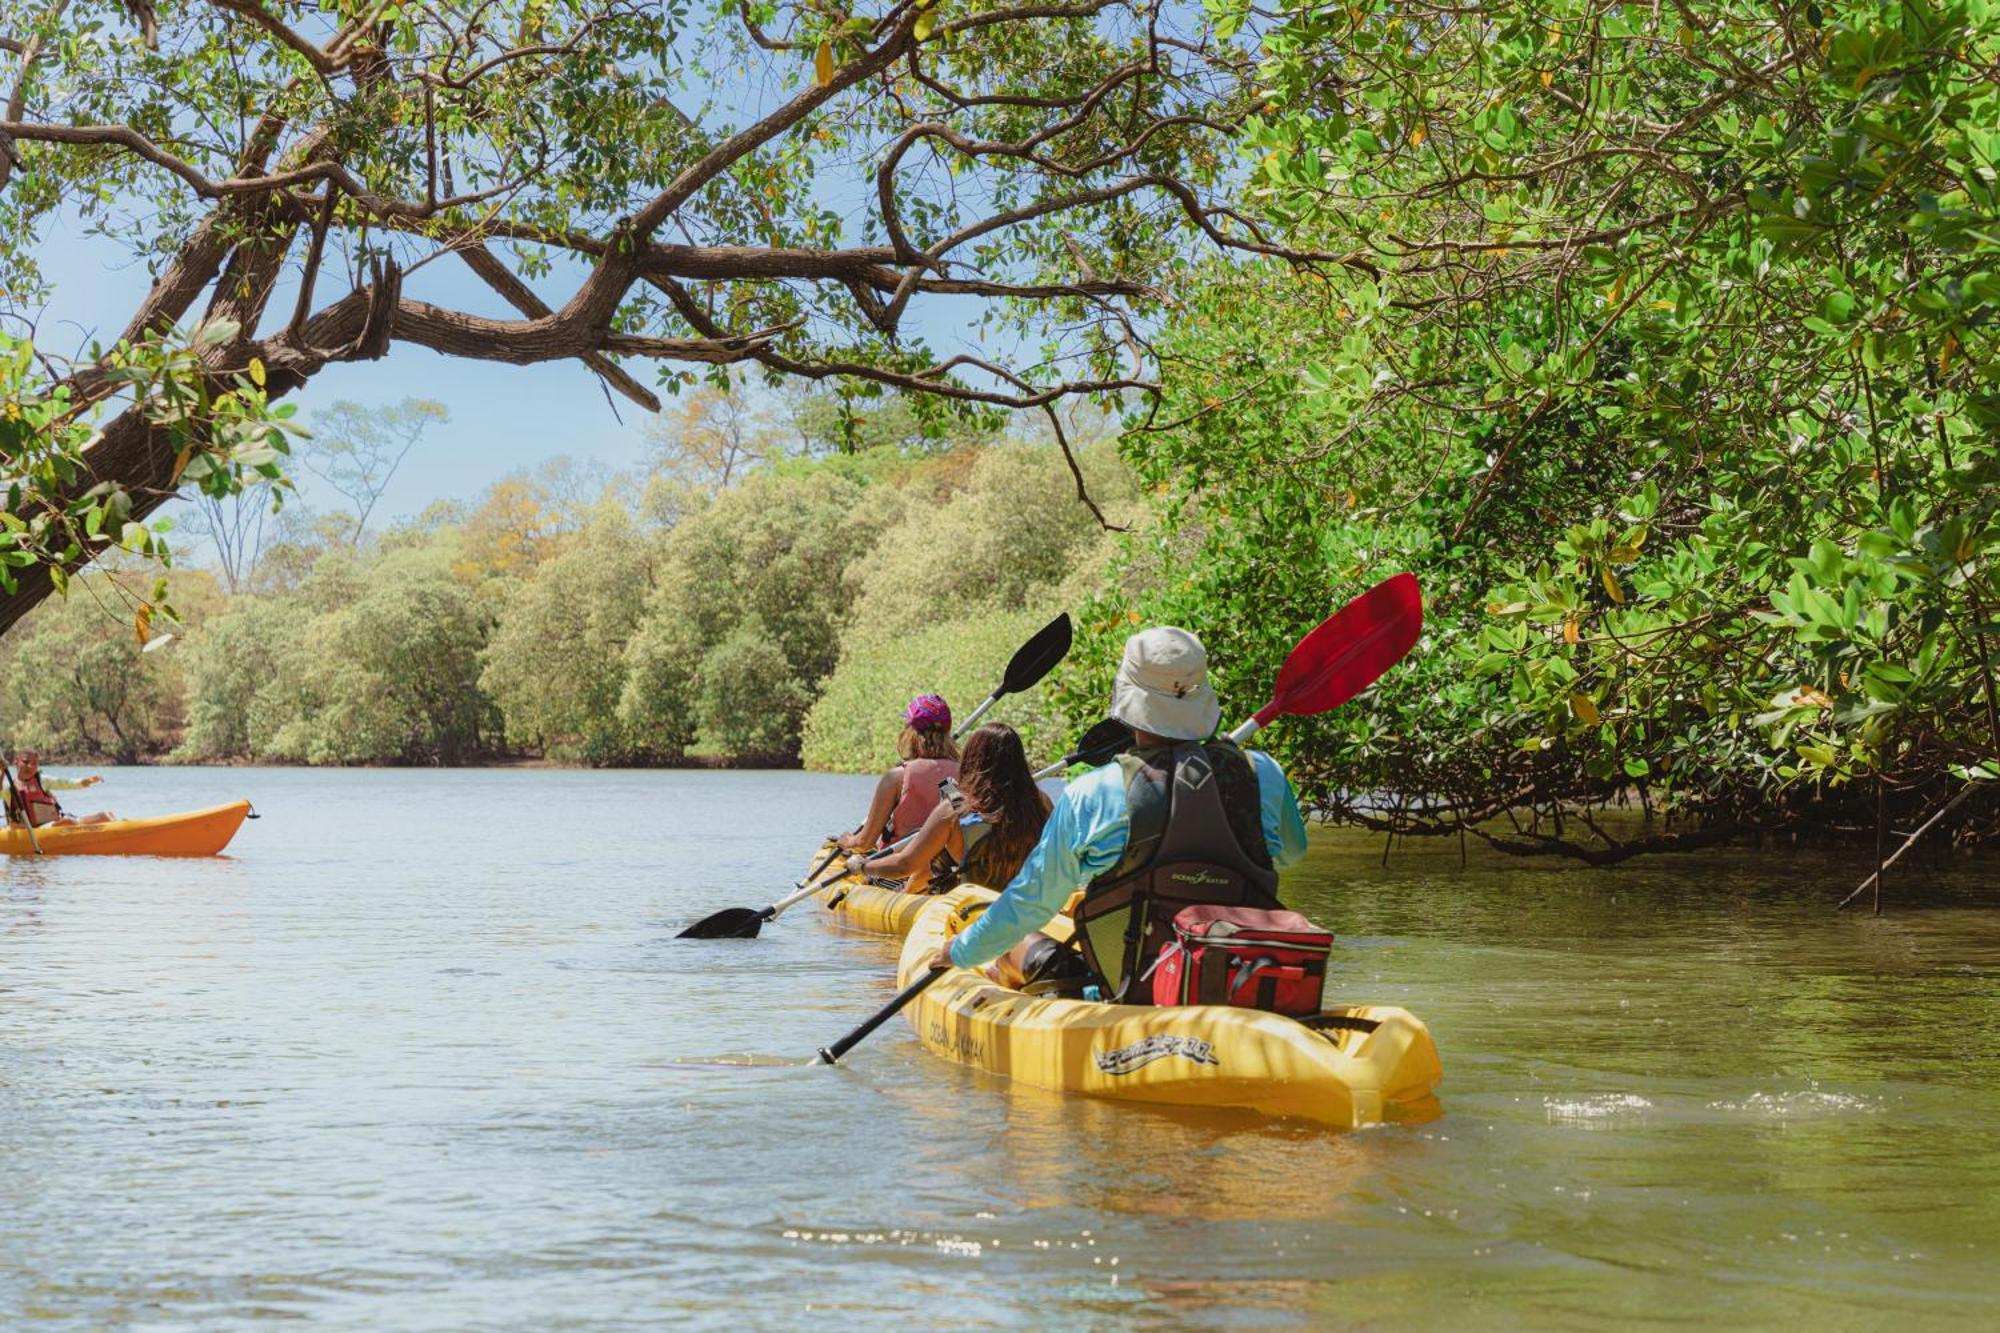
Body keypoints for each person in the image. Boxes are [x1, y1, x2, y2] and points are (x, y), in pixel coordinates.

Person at [928, 627, 1309, 999]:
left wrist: (958, 951)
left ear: (1125, 700)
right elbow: (1292, 853)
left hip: (1129, 989)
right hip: (1240, 978)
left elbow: (1031, 904)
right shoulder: (1264, 774)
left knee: (1019, 942)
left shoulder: (1090, 793)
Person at [846, 722, 1053, 896]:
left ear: (973, 760)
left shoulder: (952, 811)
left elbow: (905, 865)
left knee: (936, 863)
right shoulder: (1042, 803)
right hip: (1026, 898)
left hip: (971, 902)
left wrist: (862, 866)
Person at [837, 695, 960, 851]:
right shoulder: (962, 773)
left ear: (910, 732)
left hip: (898, 868)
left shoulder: (896, 778)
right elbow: (960, 819)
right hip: (944, 868)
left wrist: (847, 840)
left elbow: (865, 843)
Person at [5, 751, 114, 827]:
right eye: (25, 762)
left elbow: (65, 783)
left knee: (106, 815)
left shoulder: (42, 781)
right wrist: (1, 773)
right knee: (66, 822)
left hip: (50, 825)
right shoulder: (9, 788)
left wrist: (85, 781)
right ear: (16, 763)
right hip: (26, 830)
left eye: (34, 763)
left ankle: (112, 823)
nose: (30, 766)